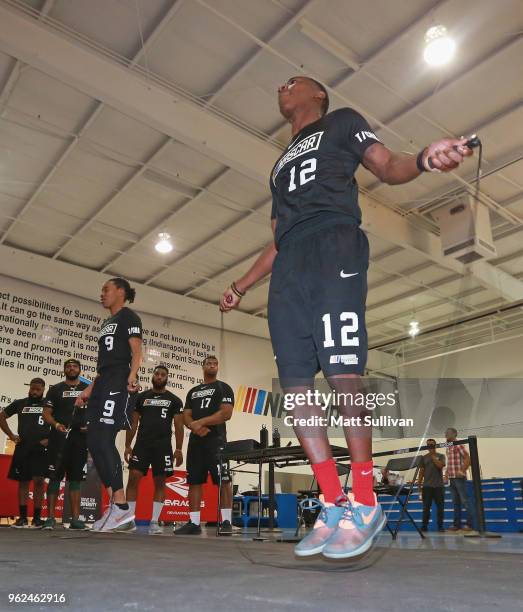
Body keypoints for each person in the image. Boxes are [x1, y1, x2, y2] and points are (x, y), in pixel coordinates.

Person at [220, 75, 475, 559]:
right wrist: (241, 285)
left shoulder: (341, 122)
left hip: (334, 243)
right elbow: (276, 239)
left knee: (342, 376)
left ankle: (364, 495)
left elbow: (387, 165)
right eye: (280, 83)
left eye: (293, 82)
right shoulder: (278, 167)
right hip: (290, 264)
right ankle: (333, 502)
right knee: (295, 389)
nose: (283, 86)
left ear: (318, 95)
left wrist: (424, 158)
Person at [75, 277, 143, 532]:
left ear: (120, 292)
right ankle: (116, 505)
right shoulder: (107, 323)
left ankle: (122, 507)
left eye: (106, 289)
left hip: (118, 380)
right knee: (93, 441)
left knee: (104, 439)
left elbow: (136, 351)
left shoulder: (129, 317)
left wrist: (132, 376)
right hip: (103, 382)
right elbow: (103, 366)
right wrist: (89, 390)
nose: (102, 293)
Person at [176, 355, 234, 535]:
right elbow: (186, 415)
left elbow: (226, 414)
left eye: (215, 363)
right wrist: (194, 425)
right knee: (194, 481)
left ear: (218, 367)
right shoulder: (193, 391)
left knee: (223, 481)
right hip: (195, 442)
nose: (212, 366)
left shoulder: (223, 387)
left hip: (216, 441)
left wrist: (199, 423)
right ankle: (193, 523)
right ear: (203, 367)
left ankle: (226, 521)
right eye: (208, 363)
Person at [124, 365, 184, 535]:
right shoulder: (141, 397)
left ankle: (154, 521)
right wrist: (128, 445)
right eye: (156, 374)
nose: (159, 376)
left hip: (163, 445)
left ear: (167, 378)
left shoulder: (175, 400)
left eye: (162, 374)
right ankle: (129, 521)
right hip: (142, 444)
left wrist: (179, 449)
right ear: (152, 376)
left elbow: (179, 426)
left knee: (160, 482)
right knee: (133, 478)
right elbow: (133, 423)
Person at [42, 358, 89, 530]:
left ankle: (75, 519)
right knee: (54, 477)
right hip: (59, 438)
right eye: (68, 366)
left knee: (75, 479)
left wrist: (89, 426)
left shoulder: (87, 389)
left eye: (74, 366)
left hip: (80, 439)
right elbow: (46, 413)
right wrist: (55, 425)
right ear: (64, 370)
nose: (71, 368)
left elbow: (96, 411)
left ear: (79, 370)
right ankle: (50, 518)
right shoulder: (55, 389)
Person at [0, 378, 49, 528]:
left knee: (40, 481)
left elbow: (60, 422)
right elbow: (1, 416)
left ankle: (37, 518)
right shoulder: (20, 403)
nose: (34, 392)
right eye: (32, 389)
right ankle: (22, 518)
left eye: (38, 390)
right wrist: (11, 435)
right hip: (23, 447)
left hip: (41, 448)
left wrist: (50, 438)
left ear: (43, 390)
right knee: (23, 481)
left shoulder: (49, 405)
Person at [445, 427, 473, 532]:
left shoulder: (458, 444)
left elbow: (467, 458)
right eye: (445, 433)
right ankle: (456, 525)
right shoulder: (448, 447)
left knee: (465, 501)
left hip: (459, 478)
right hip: (452, 478)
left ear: (454, 434)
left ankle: (469, 525)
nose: (445, 435)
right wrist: (446, 474)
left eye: (448, 433)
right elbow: (450, 463)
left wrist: (462, 470)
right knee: (455, 503)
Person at [418, 438, 446, 532]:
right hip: (427, 487)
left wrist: (433, 456)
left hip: (439, 486)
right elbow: (421, 472)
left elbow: (440, 466)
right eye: (428, 445)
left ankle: (440, 526)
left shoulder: (441, 456)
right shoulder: (423, 458)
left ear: (435, 445)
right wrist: (419, 486)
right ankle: (424, 526)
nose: (430, 446)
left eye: (431, 444)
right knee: (426, 508)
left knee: (440, 508)